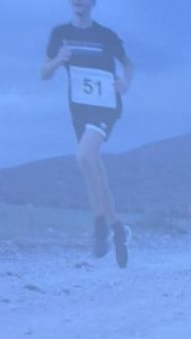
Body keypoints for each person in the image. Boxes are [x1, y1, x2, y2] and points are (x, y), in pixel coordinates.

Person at [41, 0, 133, 267]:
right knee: (94, 169)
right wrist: (58, 60)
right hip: (79, 110)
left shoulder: (106, 35)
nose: (78, 3)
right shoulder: (60, 34)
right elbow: (44, 72)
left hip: (106, 107)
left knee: (83, 157)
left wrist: (125, 82)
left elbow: (128, 65)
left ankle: (99, 227)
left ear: (92, 3)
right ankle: (118, 229)